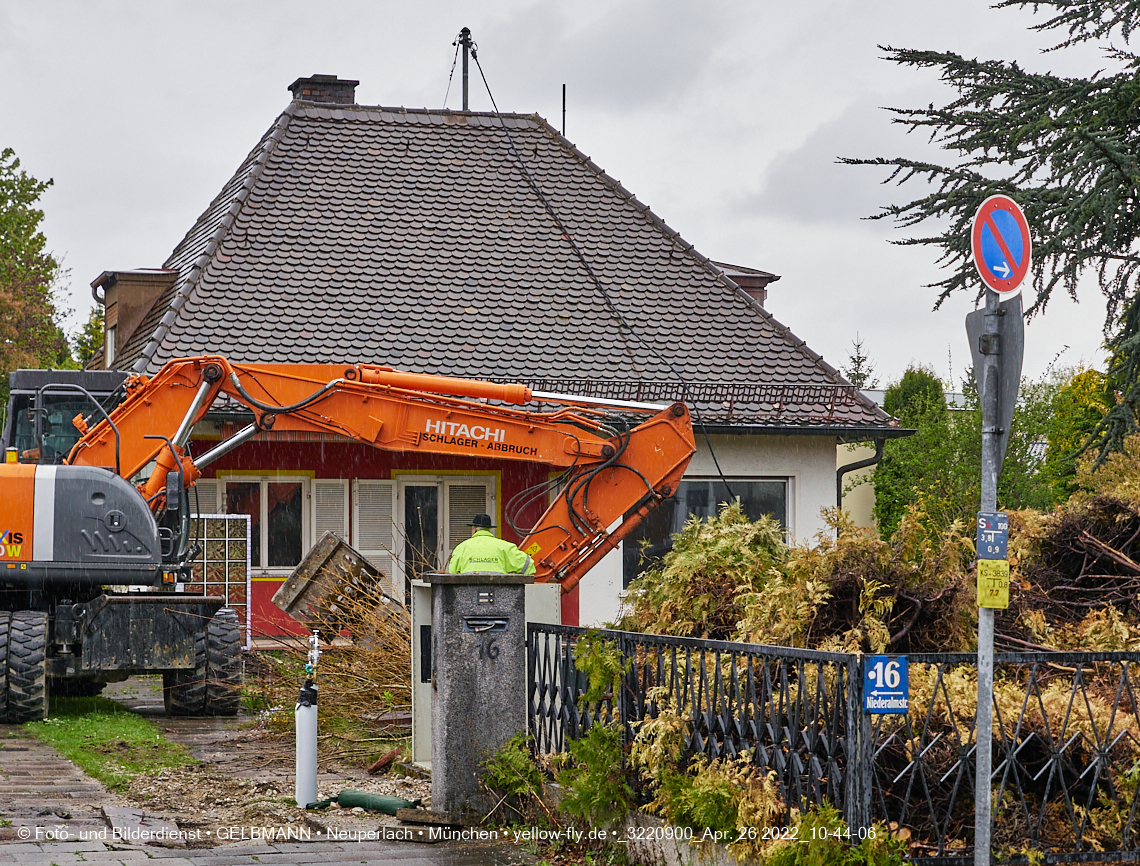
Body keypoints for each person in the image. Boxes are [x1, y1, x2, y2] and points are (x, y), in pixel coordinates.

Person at [446, 513, 536, 575]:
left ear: (475, 530)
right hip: (500, 598)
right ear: (490, 530)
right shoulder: (505, 547)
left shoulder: (461, 548)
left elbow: (452, 574)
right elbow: (529, 566)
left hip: (468, 598)